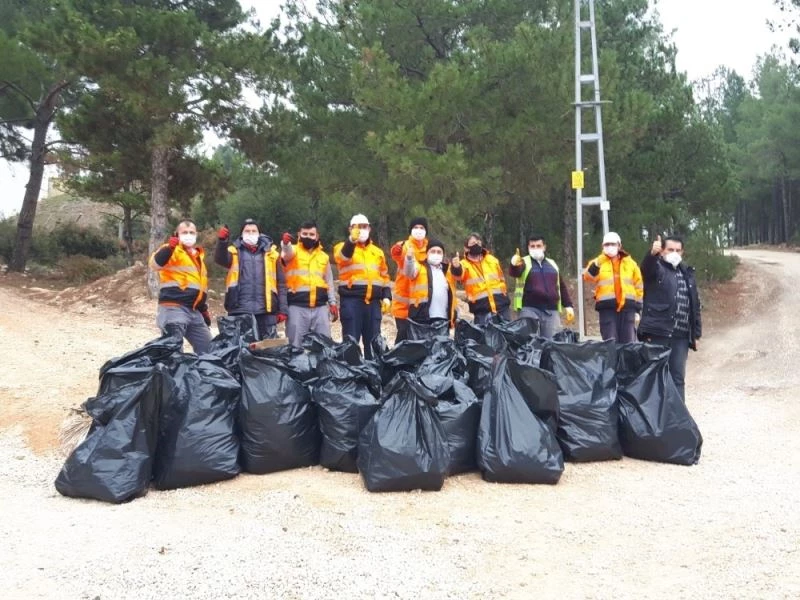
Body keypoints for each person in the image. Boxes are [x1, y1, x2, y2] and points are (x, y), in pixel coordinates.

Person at [638, 235, 702, 402]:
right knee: (654, 376)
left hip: (681, 336)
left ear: (682, 252)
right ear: (663, 251)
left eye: (677, 250)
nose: (674, 253)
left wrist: (696, 333)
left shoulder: (687, 273)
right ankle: (653, 419)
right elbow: (645, 269)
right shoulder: (657, 269)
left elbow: (694, 304)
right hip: (657, 332)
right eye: (670, 250)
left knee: (677, 378)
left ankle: (678, 420)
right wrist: (652, 254)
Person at [214, 218, 287, 340]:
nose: (251, 233)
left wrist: (283, 310)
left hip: (266, 312)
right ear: (242, 234)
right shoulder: (234, 252)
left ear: (259, 234)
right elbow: (220, 259)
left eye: (254, 231)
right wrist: (222, 242)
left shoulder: (272, 255)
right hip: (239, 310)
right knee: (241, 351)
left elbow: (281, 284)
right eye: (247, 231)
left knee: (268, 352)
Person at [333, 214, 392, 359]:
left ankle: (372, 377)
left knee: (373, 345)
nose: (361, 230)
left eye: (364, 226)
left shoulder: (377, 252)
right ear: (350, 229)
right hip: (352, 303)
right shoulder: (342, 247)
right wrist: (351, 241)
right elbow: (343, 257)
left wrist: (387, 297)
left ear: (370, 228)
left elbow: (384, 277)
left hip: (373, 304)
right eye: (357, 227)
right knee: (351, 344)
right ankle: (351, 378)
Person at [148, 219, 212, 354]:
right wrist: (170, 248)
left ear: (196, 234)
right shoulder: (171, 250)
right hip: (173, 308)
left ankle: (204, 374)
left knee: (210, 350)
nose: (188, 235)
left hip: (194, 311)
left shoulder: (198, 257)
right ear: (176, 234)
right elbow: (155, 264)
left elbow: (199, 288)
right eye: (184, 232)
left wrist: (203, 309)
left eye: (191, 232)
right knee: (173, 350)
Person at [280, 220, 338, 348]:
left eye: (311, 234)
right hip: (296, 307)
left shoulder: (324, 257)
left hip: (320, 308)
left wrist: (333, 303)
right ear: (299, 234)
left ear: (317, 236)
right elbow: (286, 254)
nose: (308, 237)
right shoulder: (292, 251)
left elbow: (328, 281)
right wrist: (285, 244)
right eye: (304, 234)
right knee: (295, 346)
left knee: (324, 345)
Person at [508, 233, 575, 339]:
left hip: (551, 310)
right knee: (530, 343)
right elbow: (515, 272)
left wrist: (568, 306)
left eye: (538, 246)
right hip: (529, 309)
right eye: (532, 246)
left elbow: (560, 285)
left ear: (544, 247)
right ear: (528, 247)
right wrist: (513, 264)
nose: (535, 248)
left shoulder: (552, 264)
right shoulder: (523, 262)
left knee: (552, 343)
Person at [582, 231, 643, 343]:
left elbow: (638, 286)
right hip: (607, 309)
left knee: (628, 345)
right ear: (602, 246)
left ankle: (626, 361)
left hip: (627, 309)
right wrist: (597, 264)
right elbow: (587, 276)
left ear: (619, 245)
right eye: (607, 244)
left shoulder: (631, 264)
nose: (610, 247)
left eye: (613, 244)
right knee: (610, 344)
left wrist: (638, 309)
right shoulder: (598, 262)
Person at [450, 233, 511, 325]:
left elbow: (502, 280)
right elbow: (458, 275)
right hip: (481, 312)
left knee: (506, 337)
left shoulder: (492, 260)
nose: (477, 245)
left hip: (502, 308)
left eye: (478, 242)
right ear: (466, 248)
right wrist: (456, 267)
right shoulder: (464, 264)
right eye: (473, 243)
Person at [389, 216, 429, 343]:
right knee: (403, 338)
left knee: (419, 339)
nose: (418, 230)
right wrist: (396, 251)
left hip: (421, 305)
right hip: (403, 304)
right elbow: (397, 254)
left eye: (421, 227)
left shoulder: (430, 248)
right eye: (415, 227)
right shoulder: (405, 246)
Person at [404, 238, 457, 331]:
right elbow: (409, 272)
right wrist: (409, 258)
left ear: (443, 255)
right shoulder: (419, 268)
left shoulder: (447, 272)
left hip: (443, 319)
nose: (436, 254)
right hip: (422, 319)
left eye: (439, 252)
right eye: (433, 251)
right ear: (427, 253)